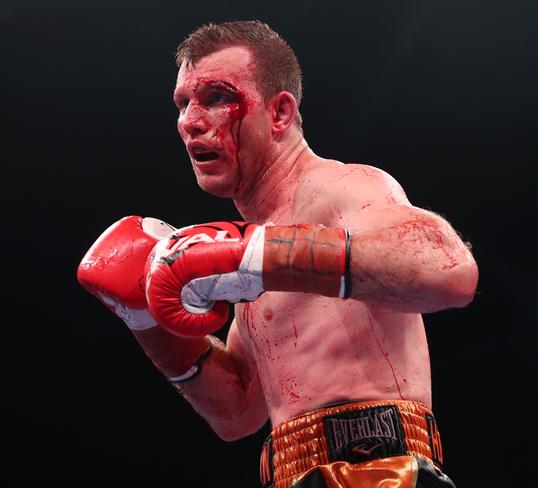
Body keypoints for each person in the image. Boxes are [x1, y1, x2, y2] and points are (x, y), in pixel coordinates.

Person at [77, 20, 478, 488]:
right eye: (183, 102)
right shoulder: (252, 251)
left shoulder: (342, 188)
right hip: (290, 474)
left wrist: (261, 254)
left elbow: (449, 271)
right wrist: (150, 324)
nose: (190, 119)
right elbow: (239, 412)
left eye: (215, 97)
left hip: (379, 470)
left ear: (280, 113)